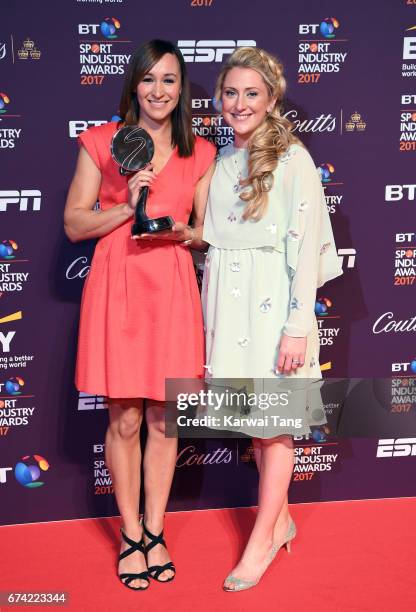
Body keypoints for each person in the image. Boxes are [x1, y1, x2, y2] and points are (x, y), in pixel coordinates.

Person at [64, 39, 216, 591]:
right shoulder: (102, 142)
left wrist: (186, 234)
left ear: (182, 90)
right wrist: (127, 207)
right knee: (125, 418)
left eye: (170, 80)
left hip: (171, 286)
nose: (159, 91)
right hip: (118, 283)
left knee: (162, 420)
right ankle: (129, 535)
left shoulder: (200, 151)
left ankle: (156, 531)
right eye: (149, 80)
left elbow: (203, 232)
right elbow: (76, 225)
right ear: (134, 86)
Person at [201, 47, 343, 591]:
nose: (239, 103)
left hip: (274, 309)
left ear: (272, 98)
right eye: (231, 93)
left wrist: (296, 326)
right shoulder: (221, 158)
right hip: (229, 305)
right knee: (255, 431)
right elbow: (213, 240)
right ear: (219, 99)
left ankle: (261, 541)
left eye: (251, 93)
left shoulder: (295, 161)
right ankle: (280, 519)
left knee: (276, 429)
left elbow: (304, 251)